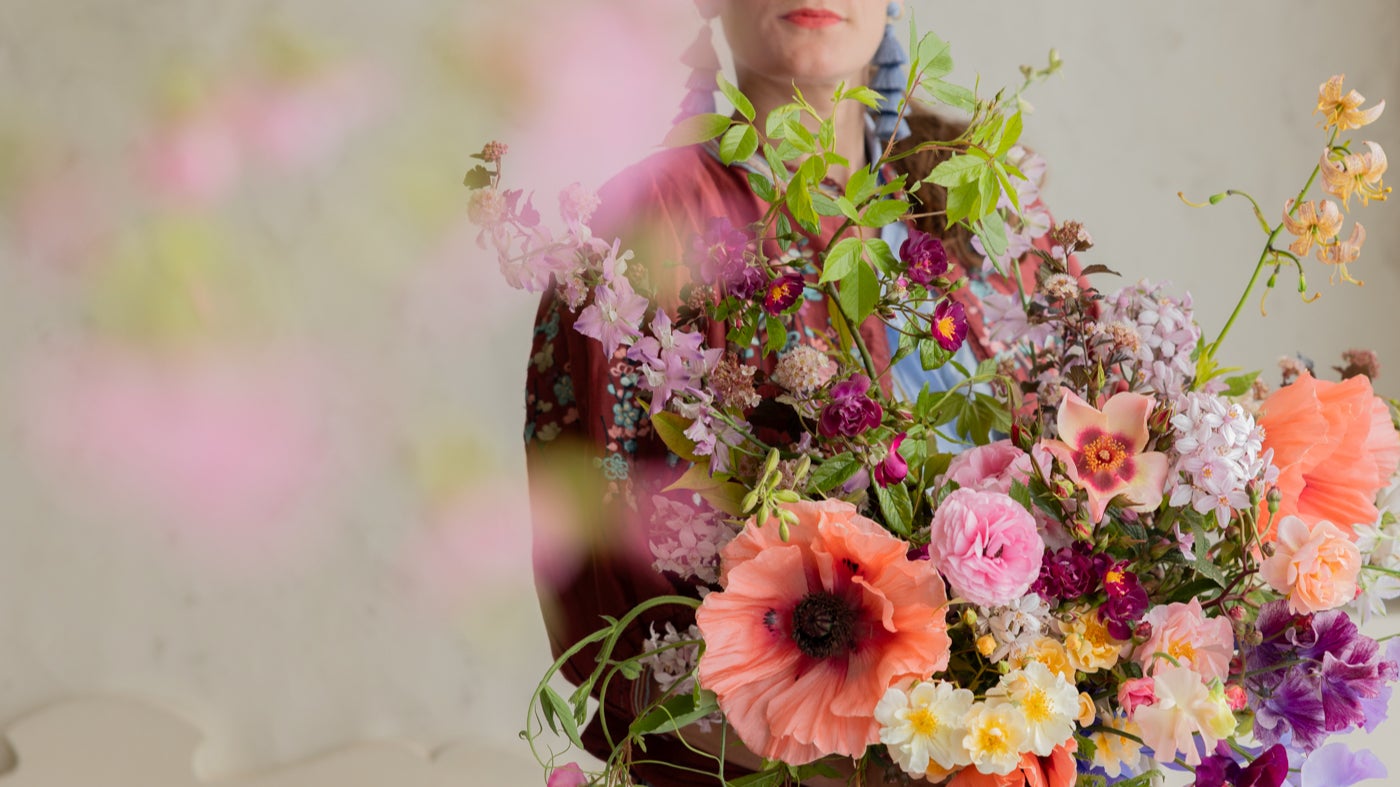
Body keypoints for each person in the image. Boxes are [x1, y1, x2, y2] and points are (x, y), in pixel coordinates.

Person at [523, 2, 1064, 784]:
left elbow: (1082, 507)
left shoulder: (980, 207)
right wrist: (859, 748)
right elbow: (599, 582)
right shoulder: (637, 232)